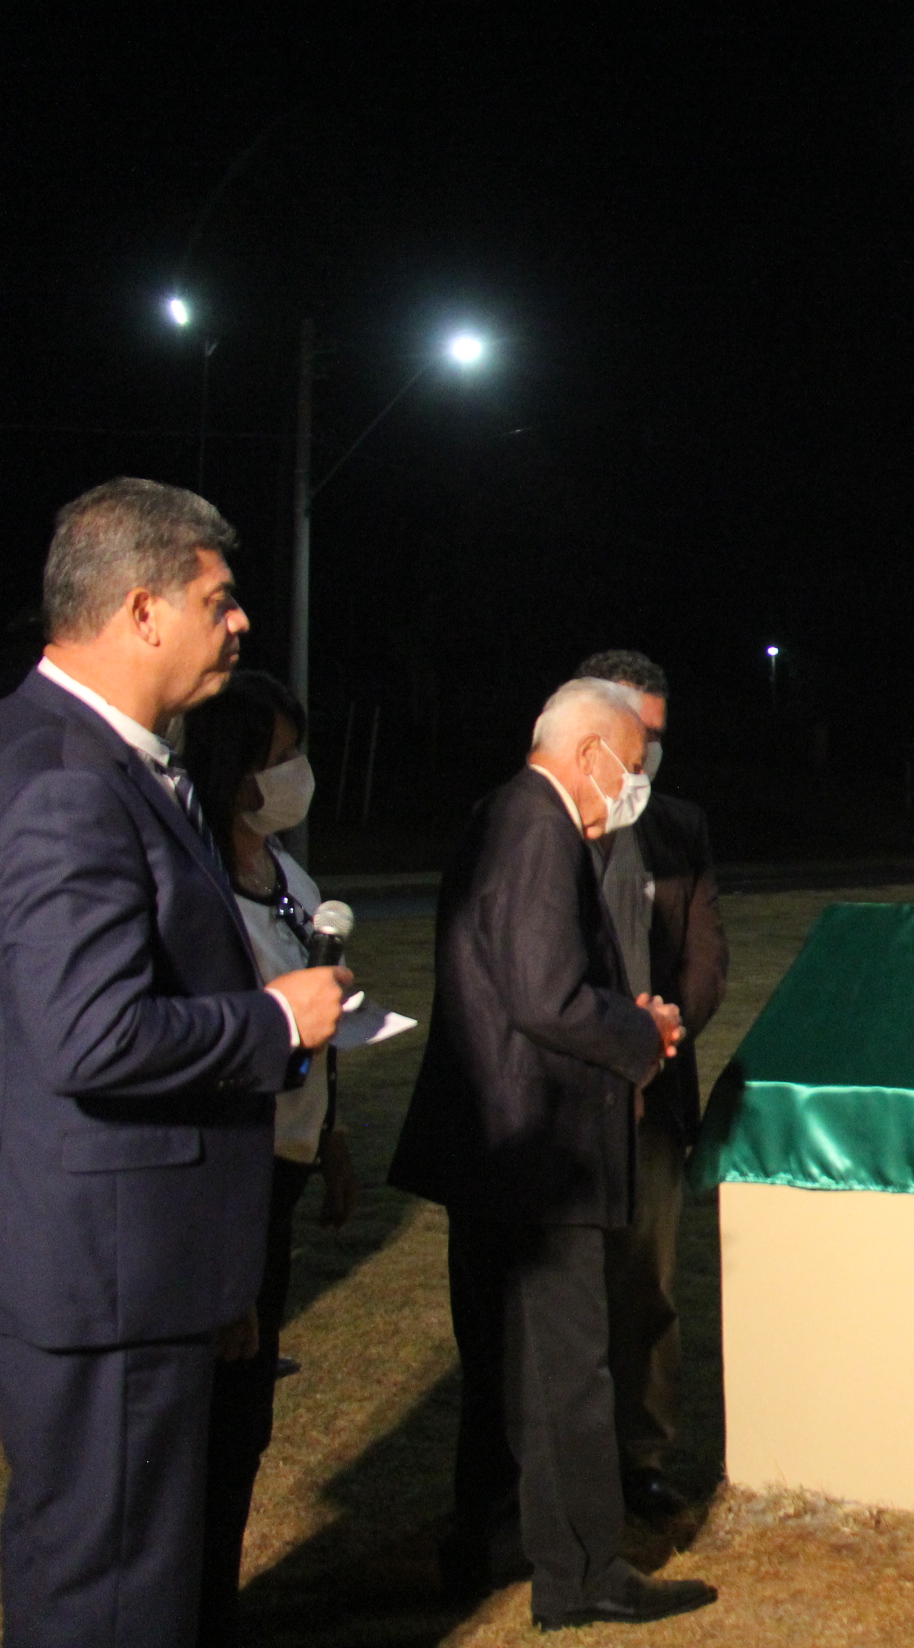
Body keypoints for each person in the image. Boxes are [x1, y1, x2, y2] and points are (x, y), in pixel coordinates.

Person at [0, 479, 350, 1648]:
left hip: (131, 1267)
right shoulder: (66, 776)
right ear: (143, 610)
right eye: (220, 597)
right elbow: (89, 1032)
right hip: (108, 1279)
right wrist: (273, 1021)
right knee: (109, 1598)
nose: (240, 621)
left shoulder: (105, 759)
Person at [388, 678, 717, 1631]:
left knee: (504, 1368)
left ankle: (490, 1543)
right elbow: (545, 996)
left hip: (497, 1146)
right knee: (569, 1369)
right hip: (543, 1152)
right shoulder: (539, 825)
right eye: (630, 761)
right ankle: (581, 1573)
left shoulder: (503, 813)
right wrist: (641, 1033)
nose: (636, 782)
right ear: (586, 756)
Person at [180, 668, 369, 1647]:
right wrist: (226, 1271)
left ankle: (217, 1601)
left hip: (283, 1168)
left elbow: (315, 1013)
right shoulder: (198, 882)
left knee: (245, 1425)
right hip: (224, 1184)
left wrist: (329, 1135)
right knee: (210, 1425)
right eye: (278, 755)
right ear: (234, 769)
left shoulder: (287, 877)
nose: (296, 772)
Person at [576, 648, 728, 1523]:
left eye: (660, 739)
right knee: (565, 1287)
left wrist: (660, 1038)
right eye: (639, 735)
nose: (651, 754)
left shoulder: (678, 827)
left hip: (655, 1098)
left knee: (648, 1287)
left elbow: (706, 955)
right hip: (569, 1095)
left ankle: (641, 1456)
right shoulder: (537, 822)